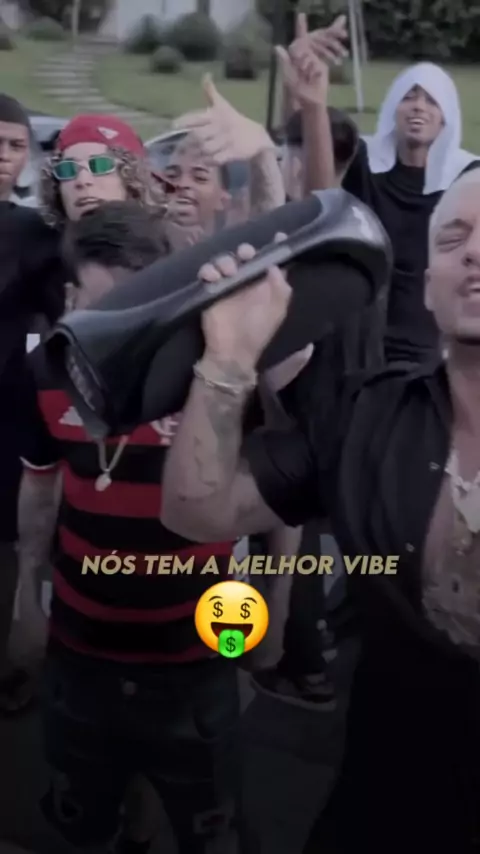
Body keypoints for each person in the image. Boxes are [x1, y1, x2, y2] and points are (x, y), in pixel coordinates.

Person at [161, 166, 480, 852]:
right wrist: (228, 361)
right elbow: (198, 512)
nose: (476, 251)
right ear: (428, 286)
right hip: (386, 806)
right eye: (454, 239)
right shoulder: (366, 414)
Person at [17, 202, 247, 854]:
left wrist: (273, 613)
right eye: (106, 312)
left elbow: (267, 502)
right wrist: (25, 604)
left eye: (143, 307)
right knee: (84, 824)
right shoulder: (44, 374)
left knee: (213, 829)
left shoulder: (217, 373)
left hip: (199, 661)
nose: (127, 333)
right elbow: (40, 491)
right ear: (70, 300)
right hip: (79, 652)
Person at [287, 21, 480, 361]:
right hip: (356, 337)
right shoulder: (363, 158)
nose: (419, 107)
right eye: (409, 97)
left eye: (432, 101)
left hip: (432, 343)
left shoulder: (468, 177)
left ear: (447, 118)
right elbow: (316, 195)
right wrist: (309, 102)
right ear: (393, 107)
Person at [0, 93, 67, 715]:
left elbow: (70, 309)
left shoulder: (32, 232)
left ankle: (15, 665)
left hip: (10, 409)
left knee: (13, 544)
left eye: (15, 145)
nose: (3, 155)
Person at [165, 75, 285, 250]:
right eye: (171, 176)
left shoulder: (234, 250)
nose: (182, 184)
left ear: (223, 200)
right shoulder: (140, 243)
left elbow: (266, 221)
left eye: (199, 177)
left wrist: (262, 152)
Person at [40, 112, 167, 230]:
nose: (82, 181)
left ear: (134, 179)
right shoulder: (40, 245)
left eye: (100, 165)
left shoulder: (169, 243)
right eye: (67, 169)